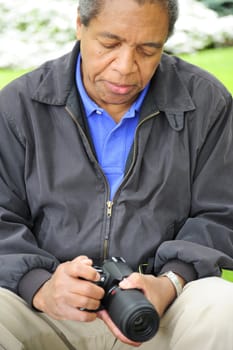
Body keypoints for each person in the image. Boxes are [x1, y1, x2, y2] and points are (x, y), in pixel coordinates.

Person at [0, 0, 233, 349]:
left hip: (161, 308)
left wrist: (171, 281)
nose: (125, 67)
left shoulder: (208, 103)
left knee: (223, 308)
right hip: (44, 307)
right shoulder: (17, 106)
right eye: (109, 44)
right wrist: (40, 287)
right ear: (80, 25)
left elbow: (220, 212)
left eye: (148, 50)